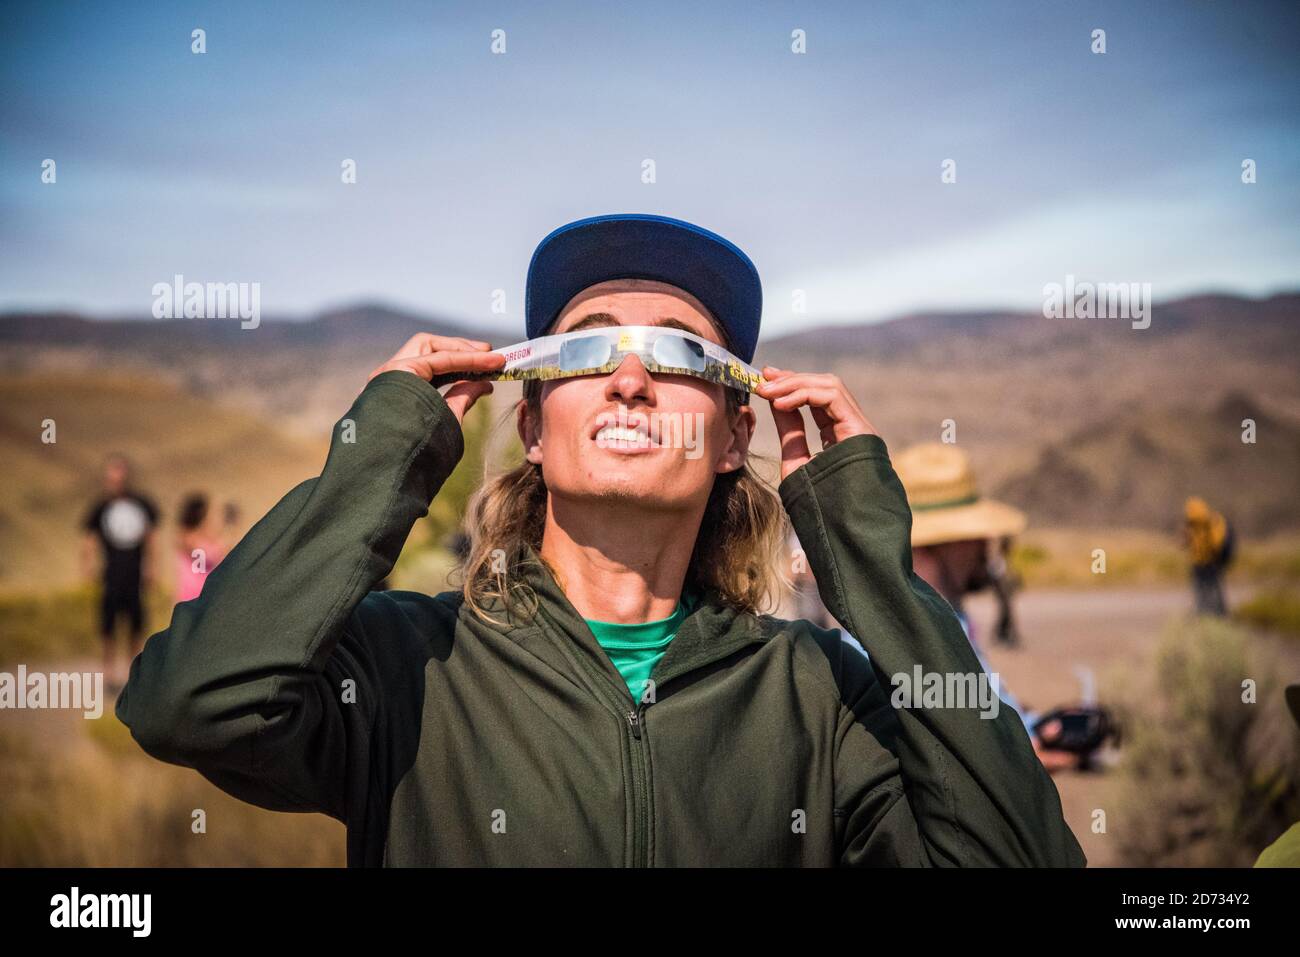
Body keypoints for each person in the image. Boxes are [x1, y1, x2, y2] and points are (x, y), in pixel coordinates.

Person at [116, 213, 1084, 867]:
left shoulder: (821, 697)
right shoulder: (406, 665)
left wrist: (869, 567)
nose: (628, 380)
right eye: (585, 347)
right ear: (533, 426)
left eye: (676, 352)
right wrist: (387, 456)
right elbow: (189, 705)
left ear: (731, 435)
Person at [892, 442, 1075, 774]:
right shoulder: (903, 640)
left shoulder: (948, 619)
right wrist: (1015, 759)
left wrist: (1035, 727)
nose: (984, 546)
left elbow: (983, 706)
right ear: (948, 540)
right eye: (975, 535)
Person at [82, 454, 159, 687]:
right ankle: (108, 675)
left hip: (134, 574)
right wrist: (88, 566)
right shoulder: (101, 507)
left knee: (135, 625)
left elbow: (151, 538)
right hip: (110, 575)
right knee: (108, 626)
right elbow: (88, 539)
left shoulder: (141, 504)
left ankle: (132, 673)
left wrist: (152, 567)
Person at [174, 493, 234, 605]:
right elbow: (207, 561)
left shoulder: (199, 539)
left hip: (204, 596)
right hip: (194, 596)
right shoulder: (190, 540)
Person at [1183, 496, 1234, 616]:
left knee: (1208, 589)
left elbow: (1216, 543)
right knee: (1209, 589)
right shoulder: (1197, 524)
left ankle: (1213, 613)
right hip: (1202, 562)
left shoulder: (1209, 523)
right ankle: (1211, 613)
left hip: (1208, 562)